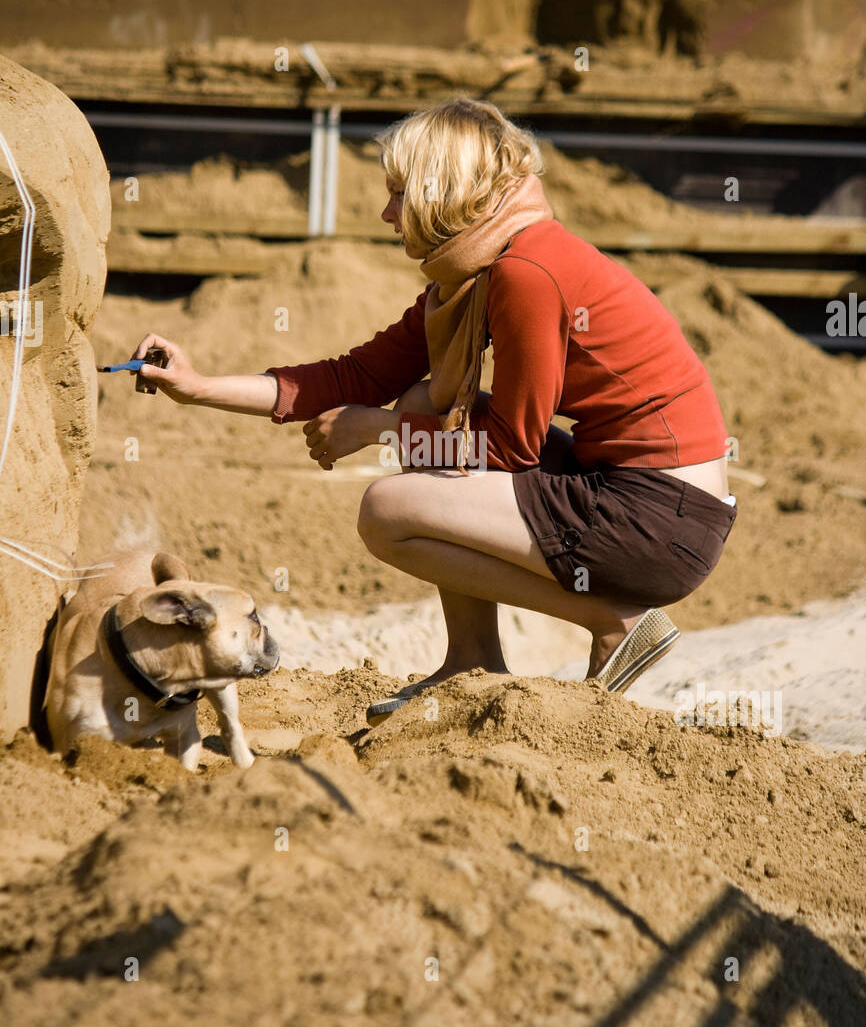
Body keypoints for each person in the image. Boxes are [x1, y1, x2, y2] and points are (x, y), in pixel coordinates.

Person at [133, 96, 736, 724]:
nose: (387, 213)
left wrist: (381, 429)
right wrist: (197, 386)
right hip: (632, 494)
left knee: (387, 511)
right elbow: (353, 377)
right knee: (426, 397)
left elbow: (509, 449)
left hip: (660, 524)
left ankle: (612, 619)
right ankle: (471, 660)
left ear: (439, 191)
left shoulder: (526, 272)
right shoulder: (476, 272)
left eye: (399, 193)